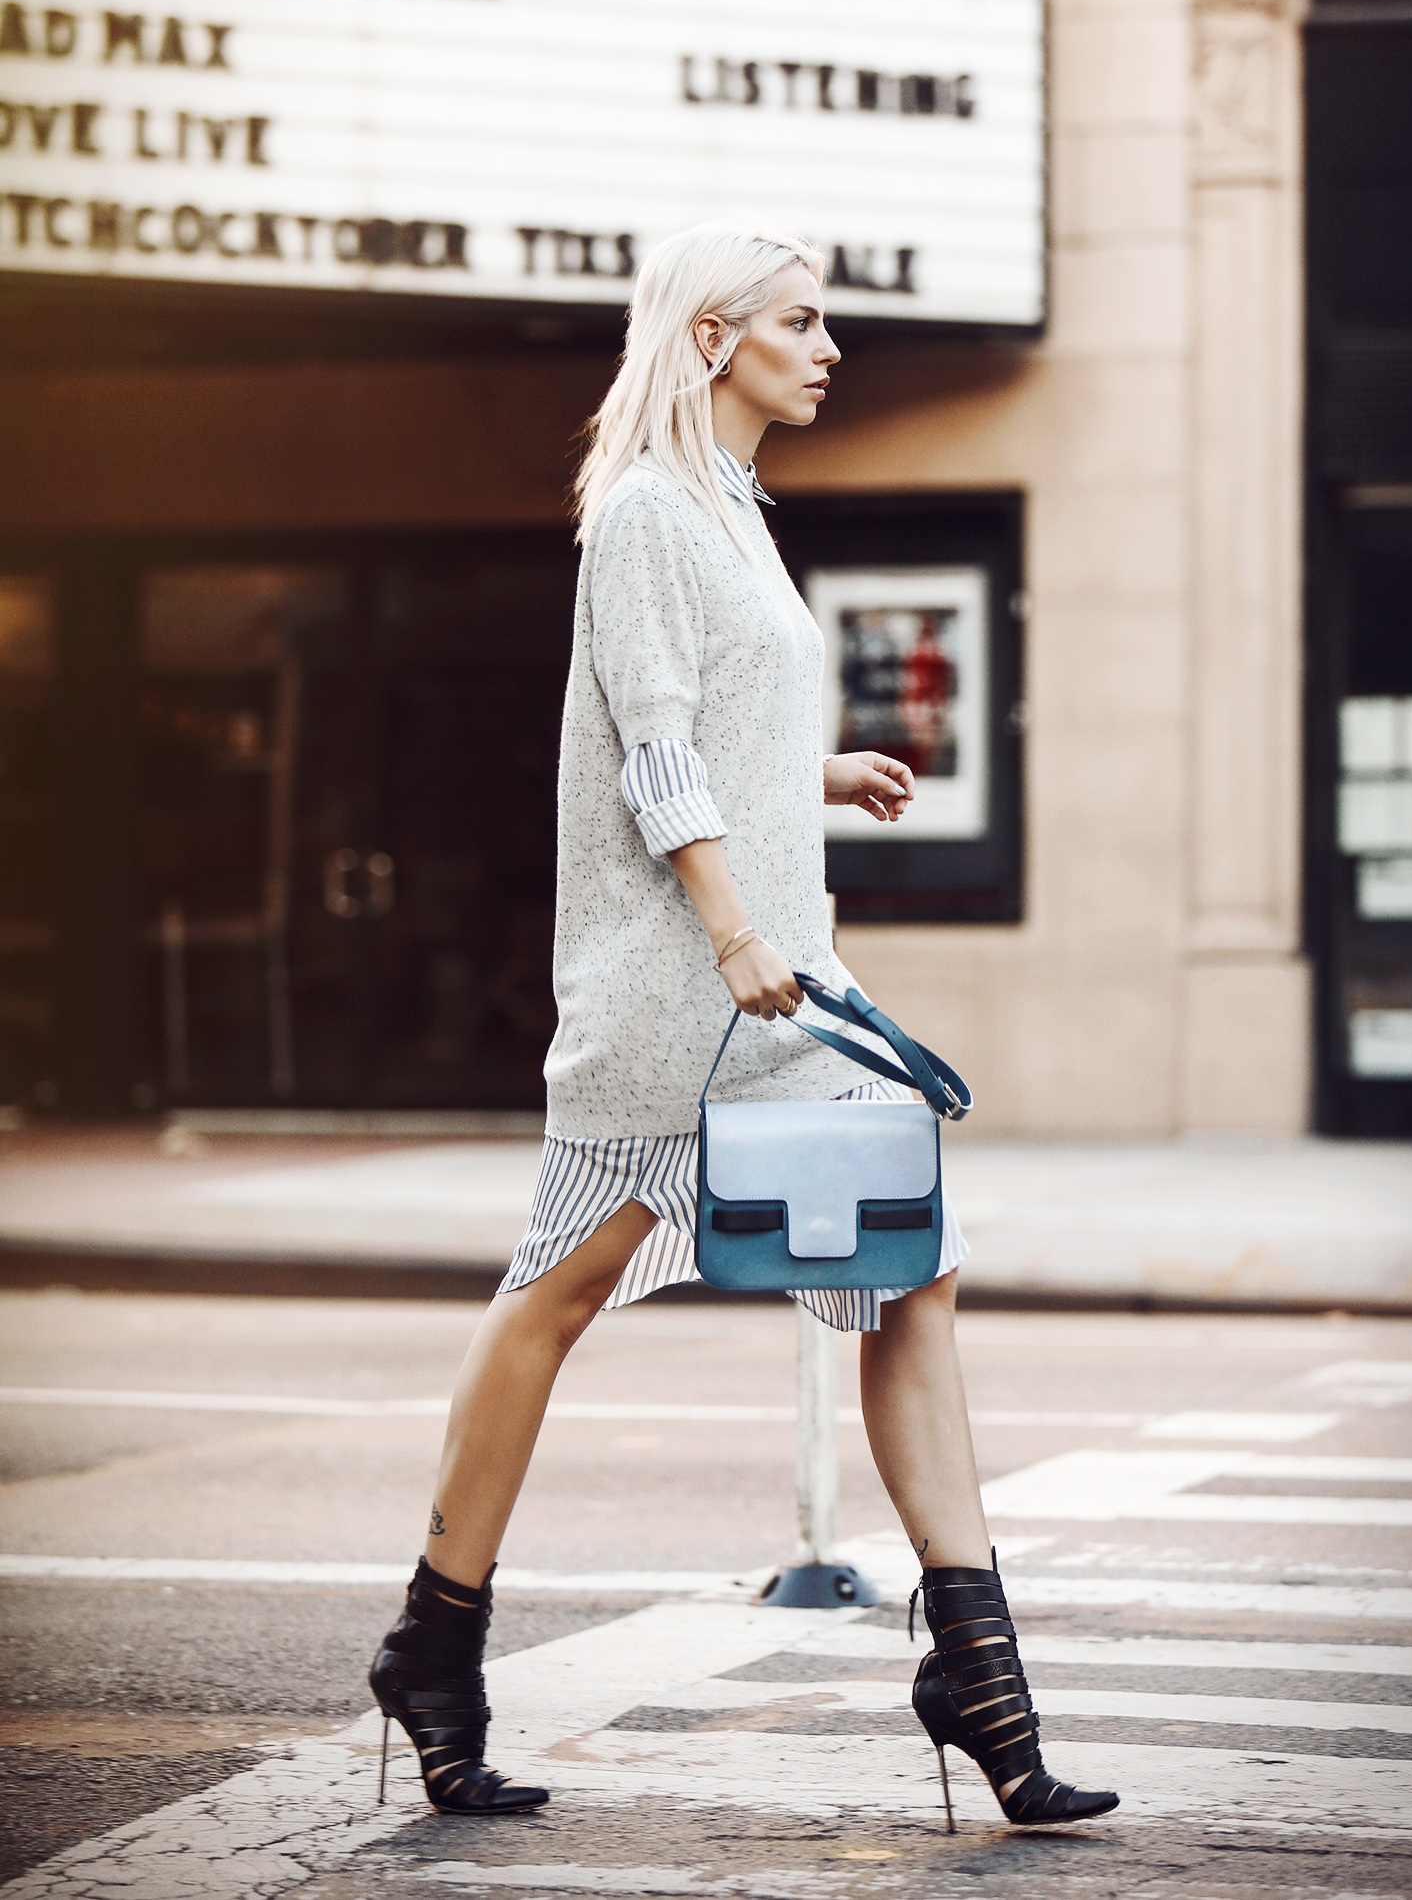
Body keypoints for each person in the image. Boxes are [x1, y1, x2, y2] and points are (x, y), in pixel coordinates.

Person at [367, 222, 1119, 1831]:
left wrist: (820, 776)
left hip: (786, 989)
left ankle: (978, 1674)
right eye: (801, 318)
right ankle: (433, 1649)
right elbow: (653, 753)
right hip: (682, 1006)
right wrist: (729, 925)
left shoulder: (734, 508)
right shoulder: (645, 512)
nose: (830, 343)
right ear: (714, 339)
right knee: (556, 1295)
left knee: (915, 1265)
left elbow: (722, 726)